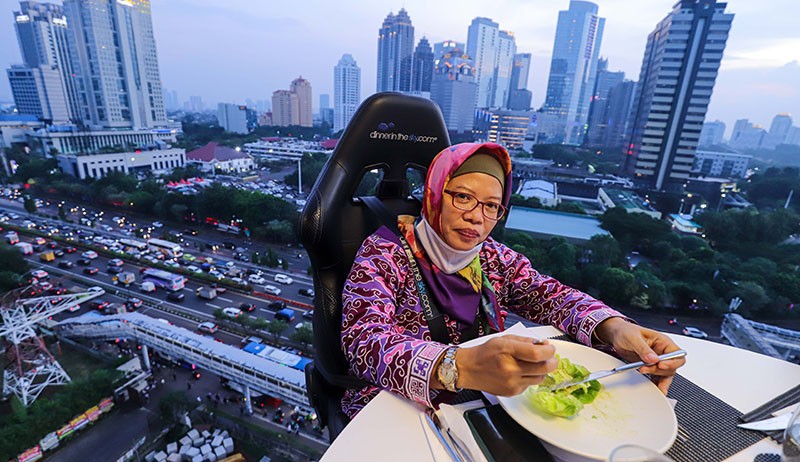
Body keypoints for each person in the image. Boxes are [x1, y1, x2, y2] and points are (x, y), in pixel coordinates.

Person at [340, 142, 685, 419]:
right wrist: (456, 366)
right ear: (433, 193)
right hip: (395, 406)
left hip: (485, 398)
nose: (476, 216)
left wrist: (613, 328)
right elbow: (363, 341)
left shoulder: (492, 257)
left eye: (492, 206)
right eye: (462, 196)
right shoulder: (384, 254)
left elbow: (552, 296)